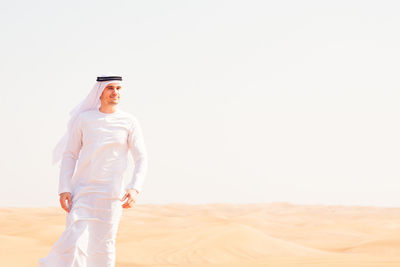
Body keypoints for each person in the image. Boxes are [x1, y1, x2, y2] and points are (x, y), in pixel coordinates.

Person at [39, 75, 148, 267]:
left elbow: (141, 158)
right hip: (82, 192)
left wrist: (134, 188)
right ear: (100, 91)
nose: (115, 92)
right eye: (110, 88)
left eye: (118, 89)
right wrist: (64, 188)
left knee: (104, 246)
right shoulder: (84, 119)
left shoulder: (129, 121)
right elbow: (70, 155)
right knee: (75, 241)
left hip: (111, 195)